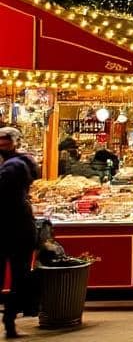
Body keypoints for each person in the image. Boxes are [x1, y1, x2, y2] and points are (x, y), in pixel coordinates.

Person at [0, 128, 38, 338]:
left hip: (12, 229)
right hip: (19, 229)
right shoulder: (21, 164)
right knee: (19, 277)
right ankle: (10, 321)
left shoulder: (11, 166)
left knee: (18, 276)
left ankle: (9, 321)